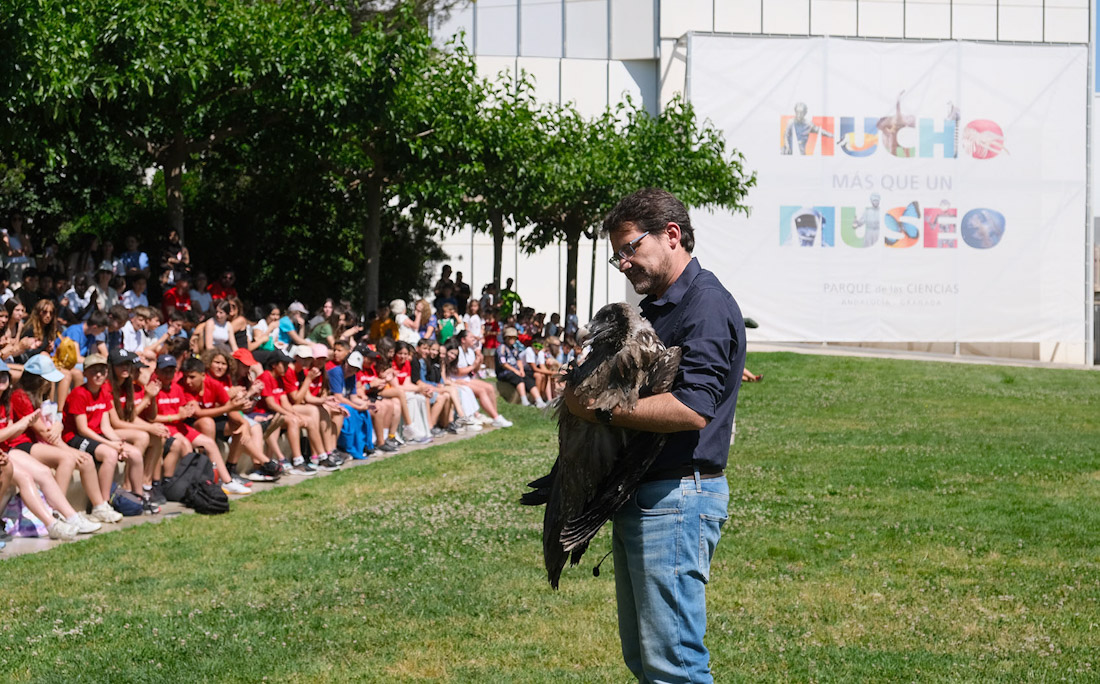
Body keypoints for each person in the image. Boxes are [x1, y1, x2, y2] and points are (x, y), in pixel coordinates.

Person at [565, 188, 746, 683]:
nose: (623, 263)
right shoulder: (659, 307)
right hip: (646, 496)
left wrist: (599, 410)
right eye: (617, 254)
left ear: (671, 235)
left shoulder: (704, 304)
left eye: (630, 248)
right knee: (646, 661)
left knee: (675, 667)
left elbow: (692, 409)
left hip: (678, 498)